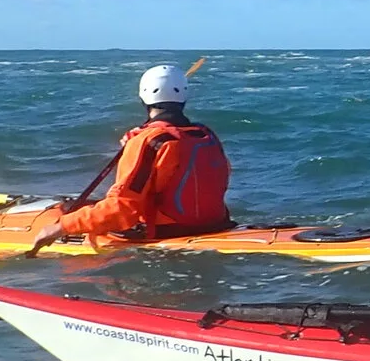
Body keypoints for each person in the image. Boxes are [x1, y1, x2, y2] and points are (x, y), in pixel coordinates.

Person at [34, 64, 232, 248]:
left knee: (69, 209)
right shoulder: (205, 134)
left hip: (164, 232)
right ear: (184, 97)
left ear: (143, 97)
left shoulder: (148, 142)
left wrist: (62, 227)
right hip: (216, 224)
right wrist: (143, 137)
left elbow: (123, 208)